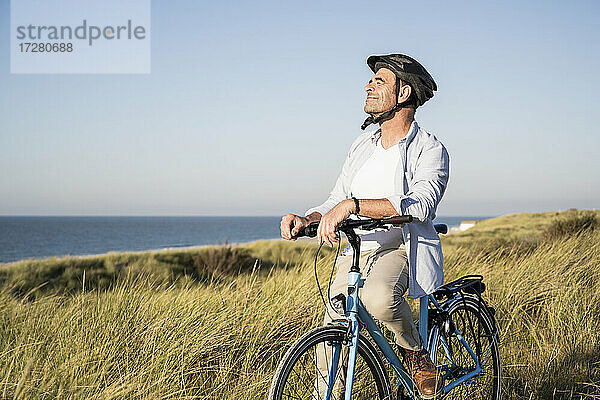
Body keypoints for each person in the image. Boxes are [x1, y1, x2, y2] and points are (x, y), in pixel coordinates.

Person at [280, 53, 449, 398]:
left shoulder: (430, 150)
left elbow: (420, 204)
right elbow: (336, 199)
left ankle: (416, 355)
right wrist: (309, 218)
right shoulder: (362, 146)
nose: (368, 85)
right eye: (371, 80)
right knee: (334, 327)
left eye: (380, 81)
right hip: (358, 249)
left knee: (380, 297)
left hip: (401, 246)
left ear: (403, 95)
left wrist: (353, 206)